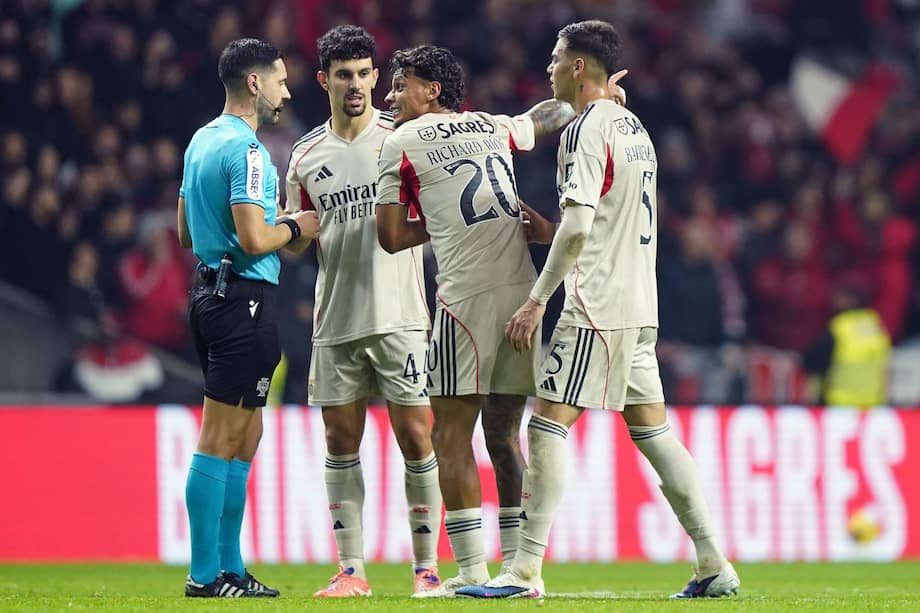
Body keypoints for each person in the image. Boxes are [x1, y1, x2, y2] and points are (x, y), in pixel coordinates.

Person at [456, 20, 740, 600]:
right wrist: (554, 230)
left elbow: (583, 224)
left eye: (557, 58)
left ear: (580, 67)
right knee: (654, 431)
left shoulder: (585, 130)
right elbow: (603, 217)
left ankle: (523, 569)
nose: (549, 67)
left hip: (595, 303)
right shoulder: (634, 126)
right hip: (640, 303)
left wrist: (537, 301)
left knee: (545, 426)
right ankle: (714, 562)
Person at [374, 44, 585, 598]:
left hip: (464, 303)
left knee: (449, 436)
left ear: (432, 92)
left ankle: (469, 572)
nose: (390, 96)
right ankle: (519, 573)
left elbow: (390, 237)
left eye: (401, 86)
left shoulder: (398, 142)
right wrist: (596, 96)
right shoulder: (493, 126)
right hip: (521, 296)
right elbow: (549, 115)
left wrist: (440, 229)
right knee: (503, 435)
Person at [284, 25, 442, 598]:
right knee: (340, 440)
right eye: (343, 75)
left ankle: (426, 569)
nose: (355, 84)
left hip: (401, 314)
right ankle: (351, 571)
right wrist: (272, 231)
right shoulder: (305, 156)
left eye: (364, 73)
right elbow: (300, 235)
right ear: (324, 80)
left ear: (377, 77)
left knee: (417, 438)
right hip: (335, 318)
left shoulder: (403, 139)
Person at [177, 38, 319, 598]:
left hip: (210, 294)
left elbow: (187, 233)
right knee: (220, 436)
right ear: (254, 84)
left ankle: (230, 567)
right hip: (242, 302)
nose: (287, 90)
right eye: (280, 80)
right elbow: (257, 238)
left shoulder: (199, 142)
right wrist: (296, 225)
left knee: (247, 431)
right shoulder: (250, 152)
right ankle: (204, 575)